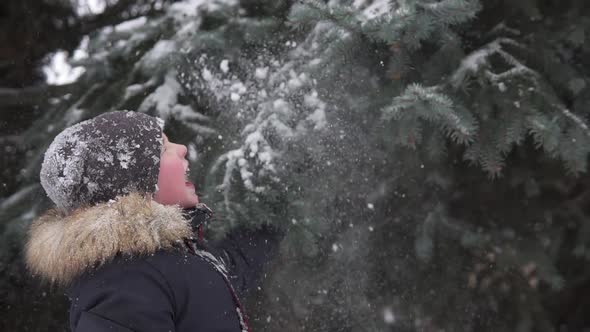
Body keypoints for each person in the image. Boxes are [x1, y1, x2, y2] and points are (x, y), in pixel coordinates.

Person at [25, 111, 280, 332]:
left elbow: (229, 269)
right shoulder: (124, 281)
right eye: (163, 149)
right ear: (132, 186)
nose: (182, 148)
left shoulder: (178, 257)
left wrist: (277, 217)